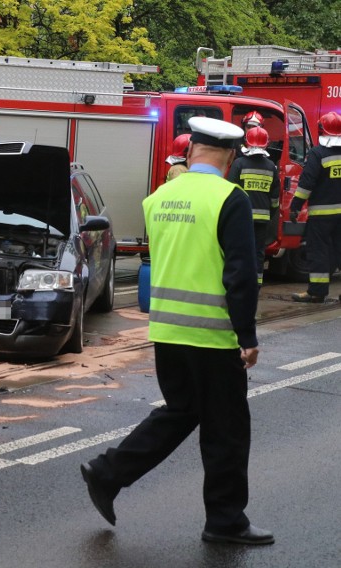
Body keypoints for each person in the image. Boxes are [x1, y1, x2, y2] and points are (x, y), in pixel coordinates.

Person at [80, 116, 273, 545]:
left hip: (167, 329)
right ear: (230, 156)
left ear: (190, 152)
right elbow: (241, 273)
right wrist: (247, 336)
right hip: (211, 333)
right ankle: (225, 522)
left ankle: (108, 471)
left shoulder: (159, 198)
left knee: (182, 410)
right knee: (226, 429)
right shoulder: (230, 198)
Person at [290, 111, 341, 302]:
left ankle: (317, 292)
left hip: (322, 214)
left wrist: (295, 206)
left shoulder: (317, 153)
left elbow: (306, 184)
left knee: (318, 251)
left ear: (321, 130)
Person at [226, 126, 280, 286]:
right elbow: (275, 198)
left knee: (239, 251)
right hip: (262, 220)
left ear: (246, 142)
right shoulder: (271, 167)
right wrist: (270, 213)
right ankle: (256, 283)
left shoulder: (239, 164)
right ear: (266, 144)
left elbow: (230, 190)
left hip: (241, 218)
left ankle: (238, 281)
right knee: (258, 253)